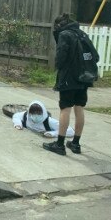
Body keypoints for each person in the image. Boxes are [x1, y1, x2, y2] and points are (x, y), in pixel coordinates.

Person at [42, 13, 99, 156]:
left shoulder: (65, 35)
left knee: (65, 108)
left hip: (69, 78)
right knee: (79, 108)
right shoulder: (82, 34)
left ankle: (60, 144)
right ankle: (75, 143)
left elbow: (61, 58)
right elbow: (96, 56)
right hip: (84, 78)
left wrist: (59, 68)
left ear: (59, 25)